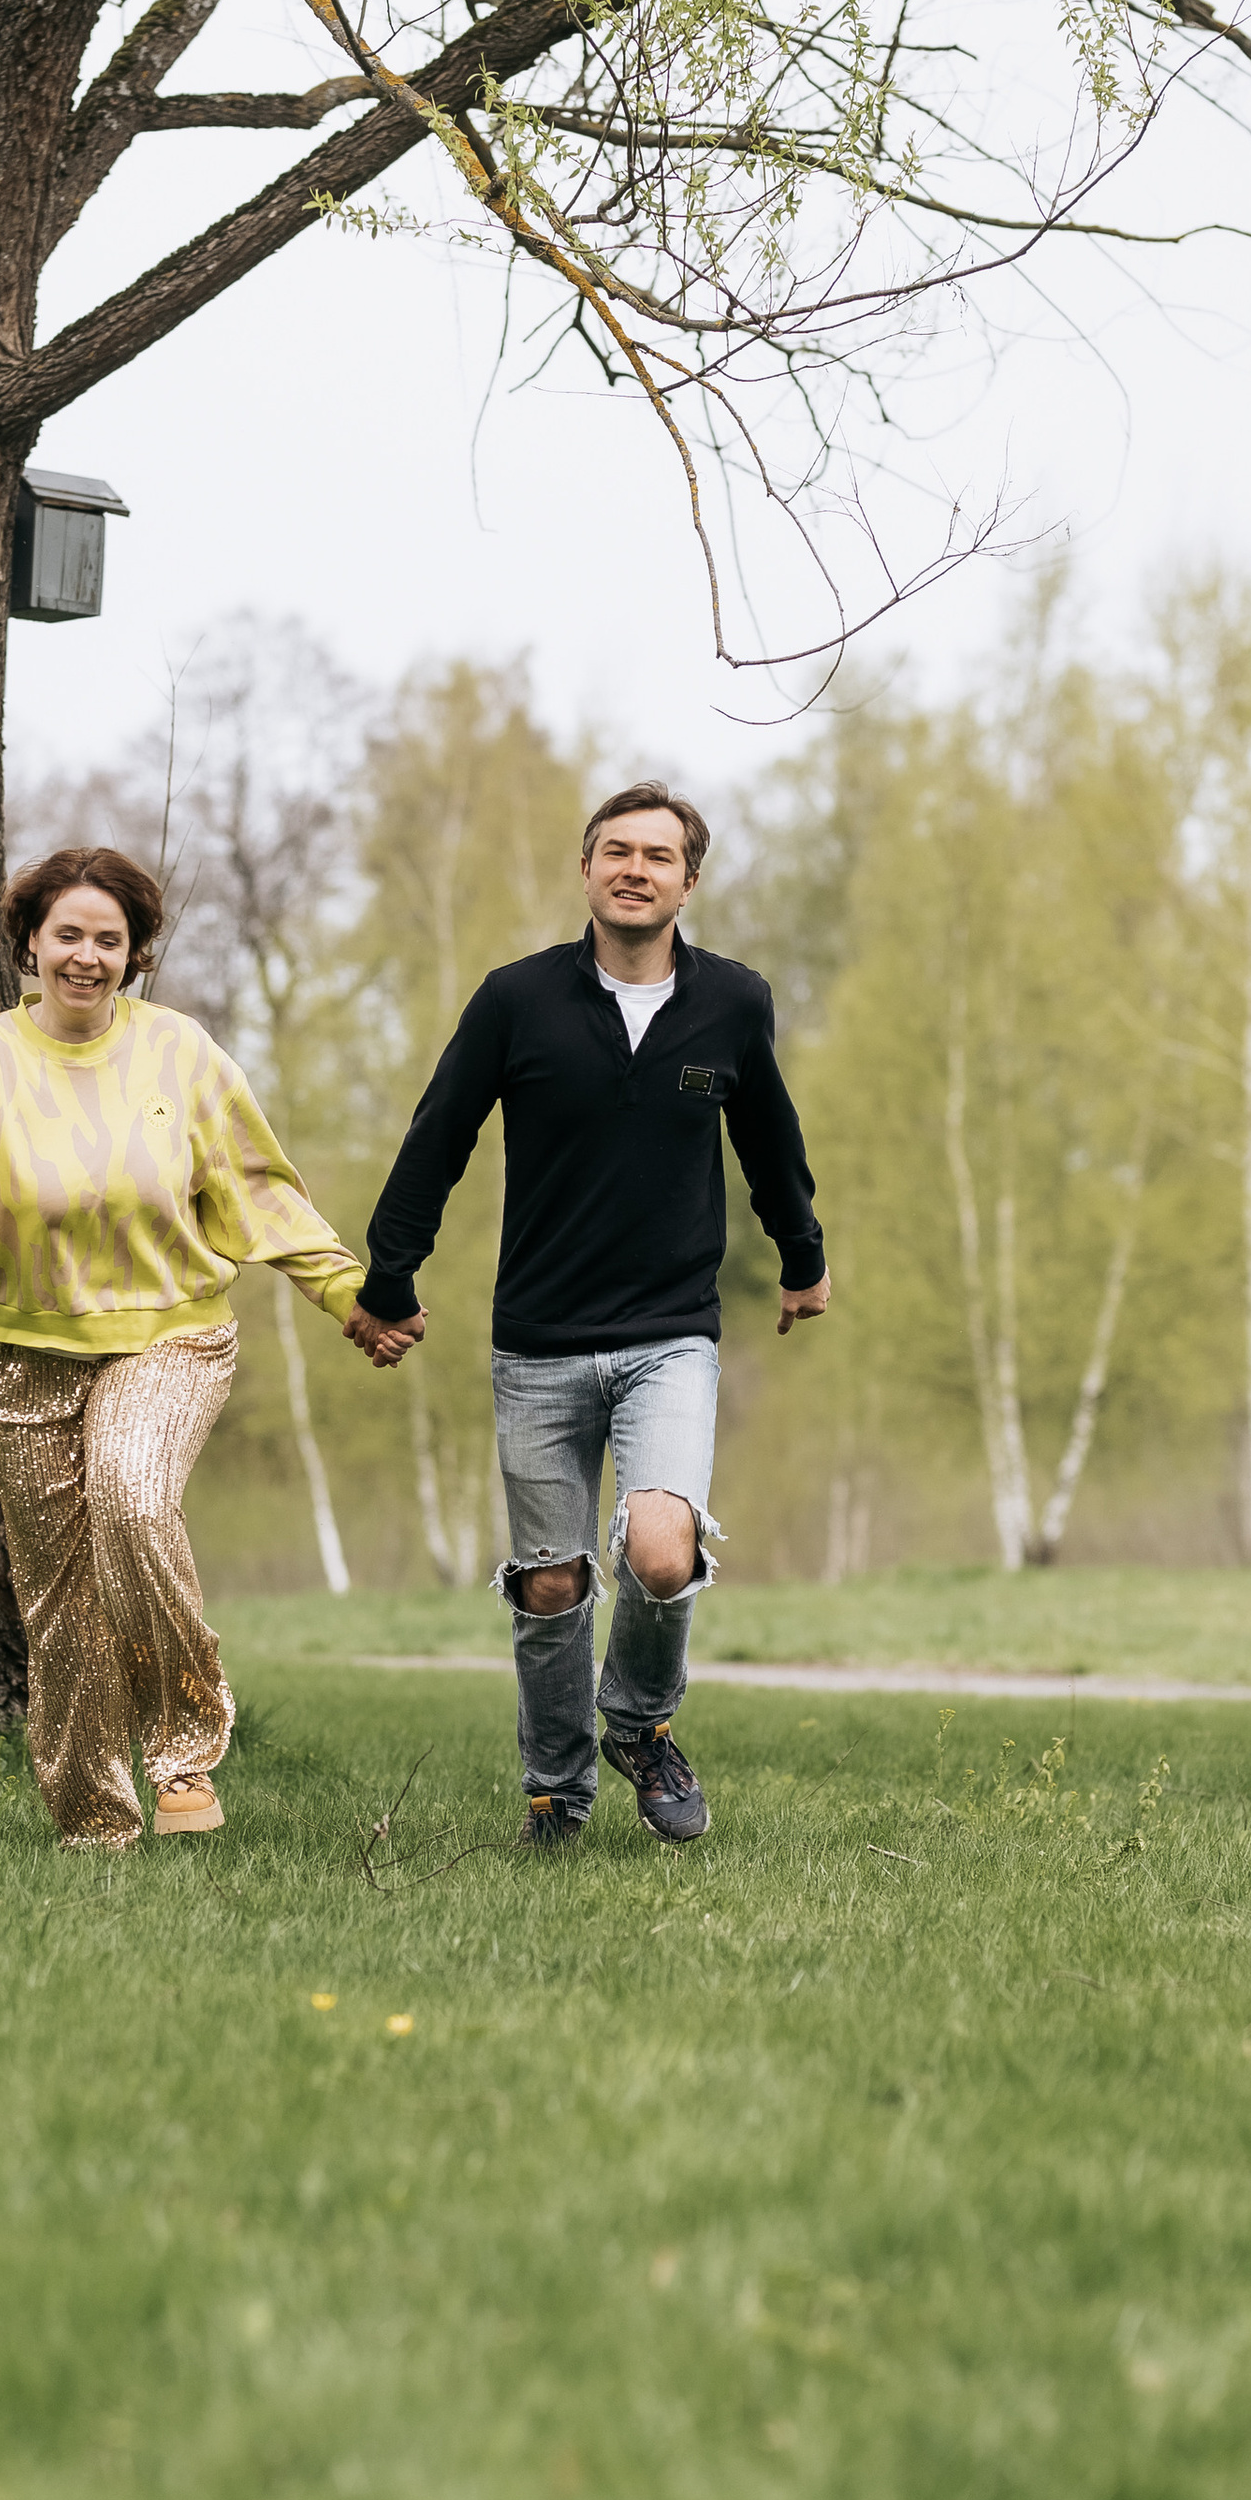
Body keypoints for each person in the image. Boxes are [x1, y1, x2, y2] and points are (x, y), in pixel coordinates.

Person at [0, 845, 393, 1852]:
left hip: (170, 1334)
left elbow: (256, 1189)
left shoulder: (180, 1055)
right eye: (67, 935)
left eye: (108, 940)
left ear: (135, 955)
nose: (85, 955)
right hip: (20, 1351)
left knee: (130, 1495)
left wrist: (346, 1293)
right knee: (60, 1592)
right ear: (32, 944)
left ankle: (185, 1750)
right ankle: (92, 1823)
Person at [350, 782, 828, 1846]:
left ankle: (641, 1728)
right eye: (616, 850)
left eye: (658, 856)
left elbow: (770, 1143)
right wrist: (390, 1277)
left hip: (671, 1335)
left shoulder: (732, 1006)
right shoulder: (515, 1002)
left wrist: (803, 1258)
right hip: (538, 1341)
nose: (635, 869)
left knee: (660, 1551)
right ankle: (554, 1794)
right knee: (553, 1583)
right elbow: (438, 1140)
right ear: (586, 869)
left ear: (688, 883)